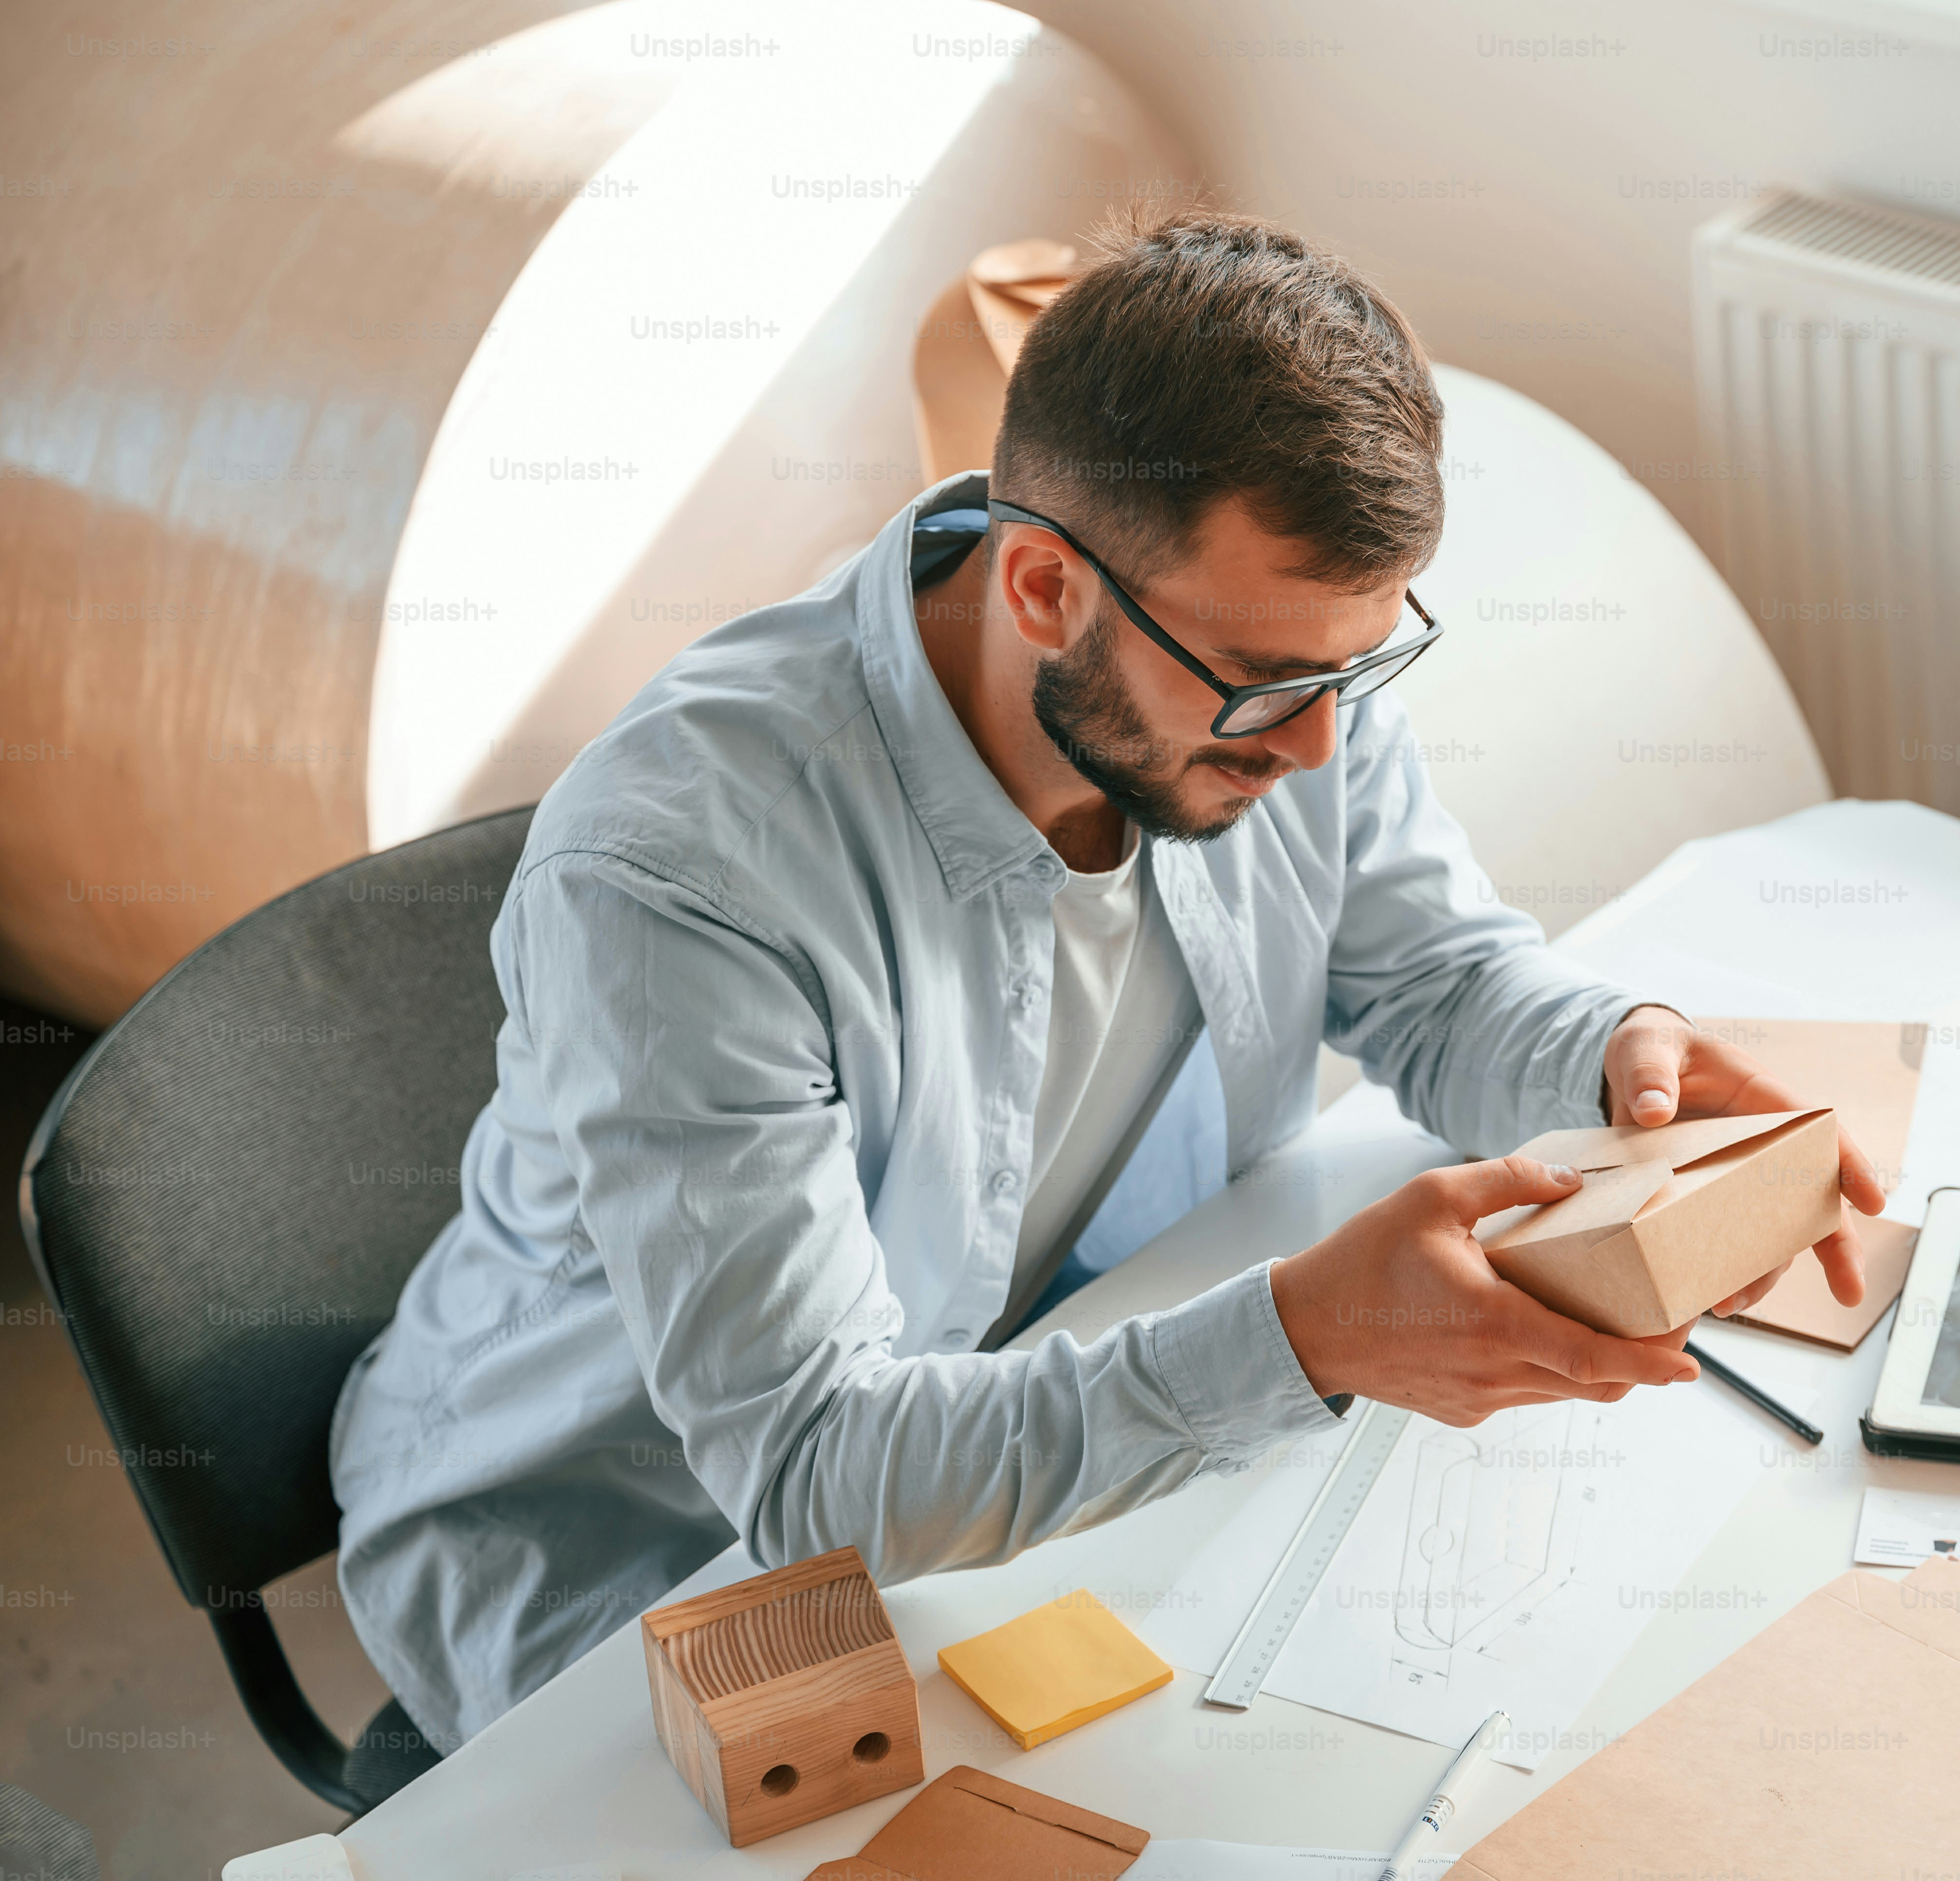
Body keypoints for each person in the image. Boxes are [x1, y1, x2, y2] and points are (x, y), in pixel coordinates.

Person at [329, 208, 1882, 1754]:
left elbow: (1433, 977)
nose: (1320, 747)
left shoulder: (1268, 662)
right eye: (1272, 689)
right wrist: (1307, 1338)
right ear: (1041, 593)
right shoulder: (684, 876)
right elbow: (816, 1472)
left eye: (1354, 671)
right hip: (626, 1552)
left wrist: (1614, 1052)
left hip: (1010, 1412)